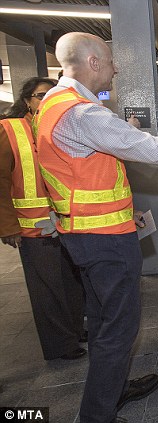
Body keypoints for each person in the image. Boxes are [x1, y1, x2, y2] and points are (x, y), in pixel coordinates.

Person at [34, 32, 158, 423]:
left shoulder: (51, 105)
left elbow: (80, 176)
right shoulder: (83, 113)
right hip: (105, 242)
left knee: (101, 322)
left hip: (84, 232)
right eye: (112, 60)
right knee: (119, 329)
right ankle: (98, 414)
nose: (116, 68)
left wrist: (117, 213)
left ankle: (111, 389)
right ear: (93, 62)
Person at [0, 77, 86, 361]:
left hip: (65, 222)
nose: (45, 101)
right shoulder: (8, 129)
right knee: (47, 288)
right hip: (33, 228)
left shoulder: (56, 126)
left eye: (52, 96)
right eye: (40, 96)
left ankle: (74, 329)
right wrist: (7, 226)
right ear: (26, 100)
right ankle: (60, 345)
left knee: (72, 281)